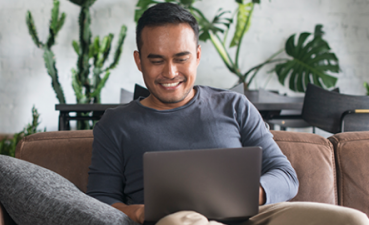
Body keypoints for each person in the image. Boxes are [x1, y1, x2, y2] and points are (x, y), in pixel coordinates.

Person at [87, 3, 369, 225]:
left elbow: (285, 176)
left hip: (251, 216)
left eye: (181, 58)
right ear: (139, 60)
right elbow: (99, 199)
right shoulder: (116, 124)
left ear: (197, 56)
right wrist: (135, 212)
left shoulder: (234, 106)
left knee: (353, 219)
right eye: (156, 60)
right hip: (174, 221)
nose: (170, 72)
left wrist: (244, 195)